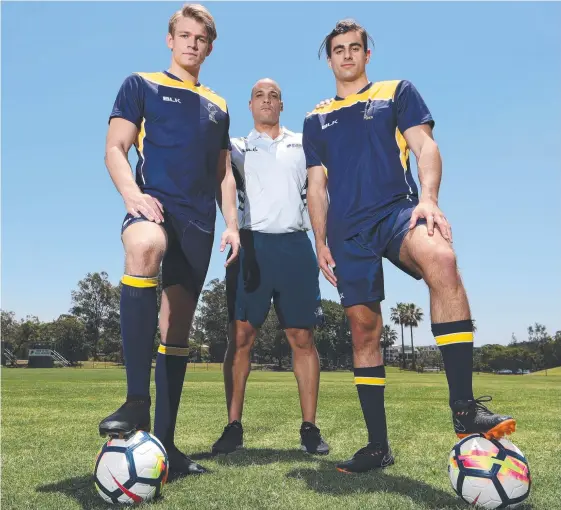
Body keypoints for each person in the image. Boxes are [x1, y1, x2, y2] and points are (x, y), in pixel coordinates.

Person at [303, 19, 515, 473]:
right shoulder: (315, 117)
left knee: (442, 257)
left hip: (398, 211)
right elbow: (316, 186)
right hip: (347, 232)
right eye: (338, 49)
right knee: (364, 331)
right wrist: (320, 241)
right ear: (329, 58)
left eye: (354, 47)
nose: (346, 55)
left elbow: (426, 147)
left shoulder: (396, 91)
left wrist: (429, 199)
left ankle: (464, 409)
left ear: (366, 54)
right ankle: (378, 447)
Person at [99, 3, 240, 476]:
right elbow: (115, 147)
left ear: (210, 47)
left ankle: (166, 447)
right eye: (184, 35)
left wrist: (233, 226)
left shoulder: (219, 104)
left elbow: (223, 176)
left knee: (176, 330)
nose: (191, 44)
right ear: (170, 39)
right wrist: (131, 194)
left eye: (200, 38)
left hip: (199, 224)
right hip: (153, 205)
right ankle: (137, 400)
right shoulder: (141, 84)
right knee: (143, 248)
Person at [211, 79, 329, 456]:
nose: (267, 100)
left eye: (274, 96)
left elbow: (318, 188)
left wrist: (322, 242)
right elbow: (220, 183)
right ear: (250, 105)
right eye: (260, 96)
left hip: (295, 246)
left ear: (282, 105)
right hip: (251, 245)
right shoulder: (236, 148)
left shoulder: (301, 143)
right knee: (240, 339)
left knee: (303, 340)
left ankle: (309, 428)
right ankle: (233, 427)